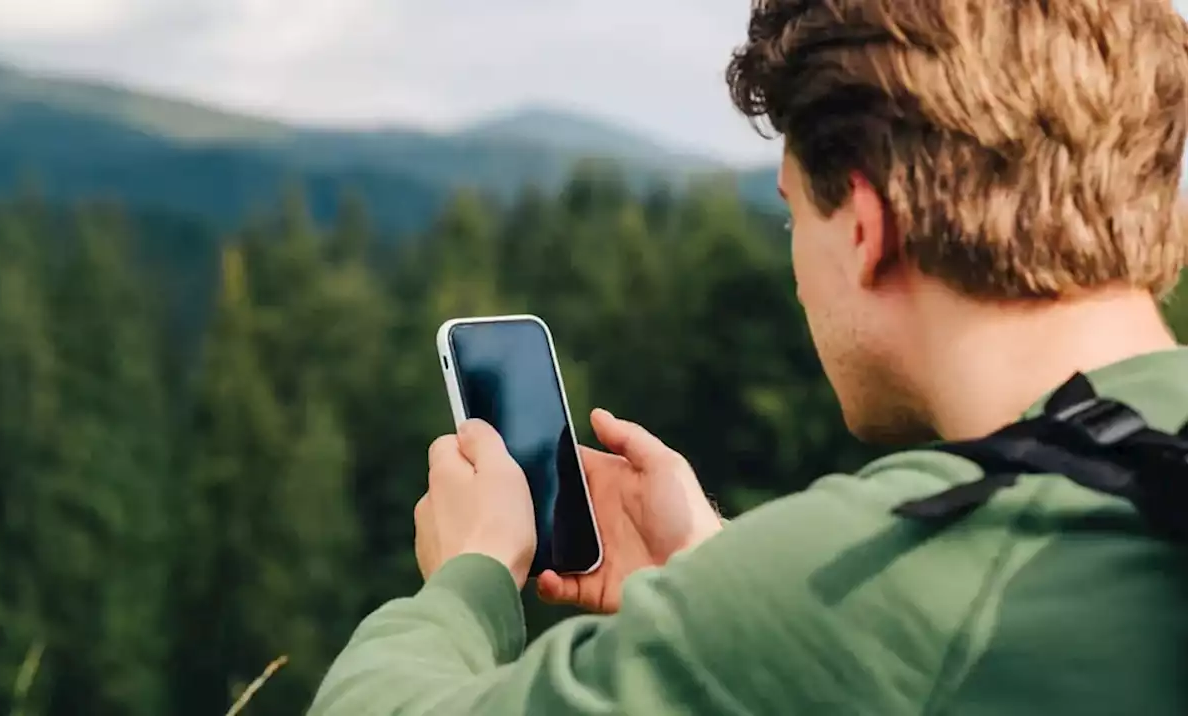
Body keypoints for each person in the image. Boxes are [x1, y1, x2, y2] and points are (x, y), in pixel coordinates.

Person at [306, 0, 1189, 713]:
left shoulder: (902, 568)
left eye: (791, 211)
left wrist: (473, 571)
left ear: (864, 228)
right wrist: (712, 573)